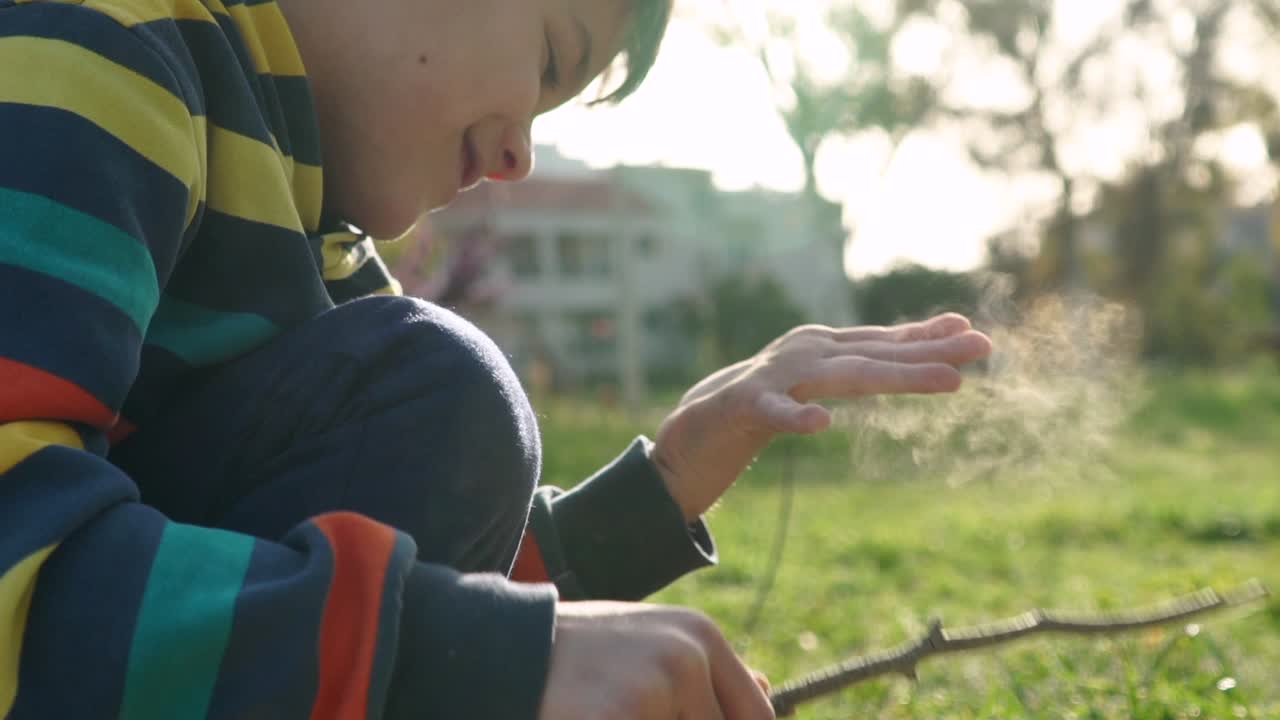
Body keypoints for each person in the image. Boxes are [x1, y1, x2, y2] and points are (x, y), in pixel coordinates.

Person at [0, 0, 993, 717]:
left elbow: (445, 562)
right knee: (440, 387)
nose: (519, 157)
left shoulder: (320, 240)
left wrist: (676, 469)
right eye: (551, 55)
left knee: (441, 401)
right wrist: (466, 665)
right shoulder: (95, 55)